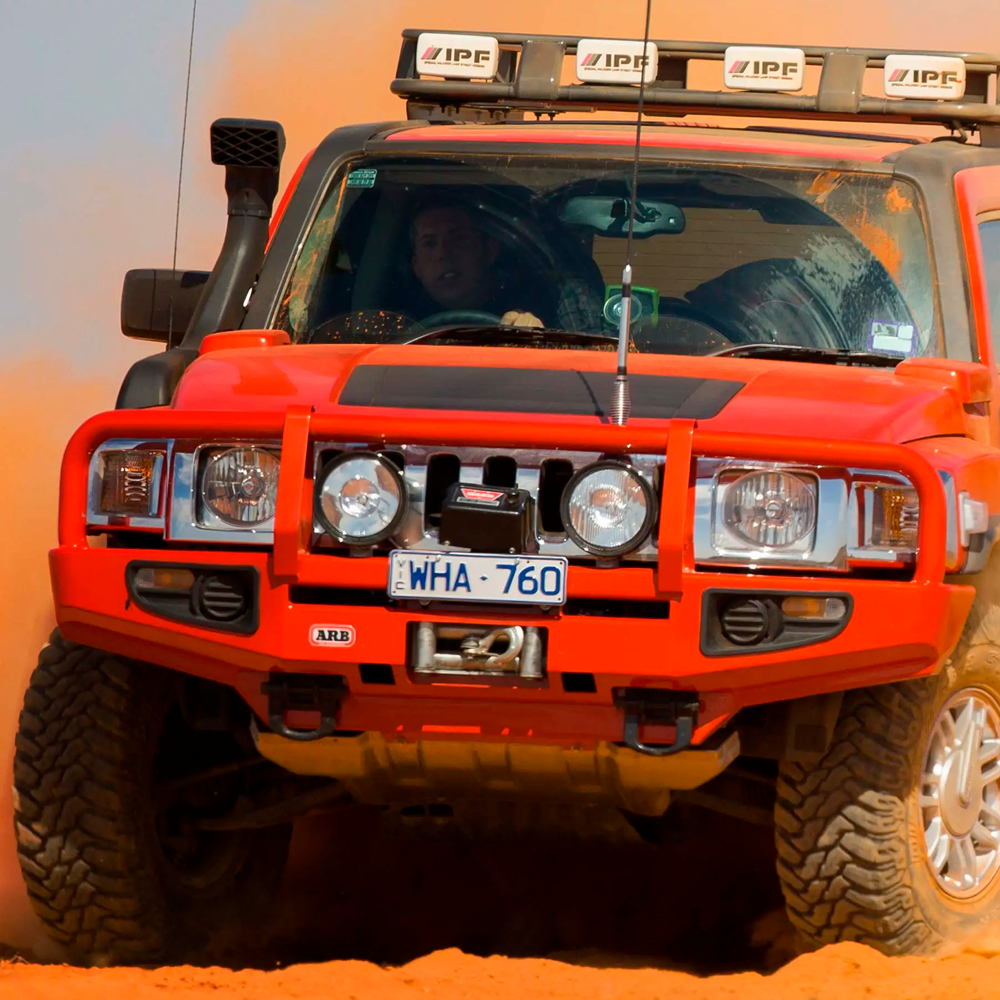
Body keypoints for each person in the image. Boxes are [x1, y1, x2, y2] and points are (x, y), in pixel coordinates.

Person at [408, 201, 546, 328]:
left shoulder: (536, 305)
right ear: (416, 266)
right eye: (429, 243)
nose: (443, 253)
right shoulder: (399, 325)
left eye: (459, 238)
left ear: (489, 251)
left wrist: (534, 337)